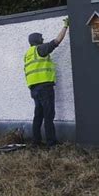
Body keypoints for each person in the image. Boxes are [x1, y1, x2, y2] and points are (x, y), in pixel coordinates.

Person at [24, 18, 69, 147]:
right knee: (48, 115)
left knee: (38, 116)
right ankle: (51, 143)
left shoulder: (28, 54)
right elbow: (57, 41)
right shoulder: (40, 49)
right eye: (41, 38)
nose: (43, 40)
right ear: (38, 41)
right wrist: (65, 27)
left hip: (34, 89)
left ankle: (36, 142)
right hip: (44, 88)